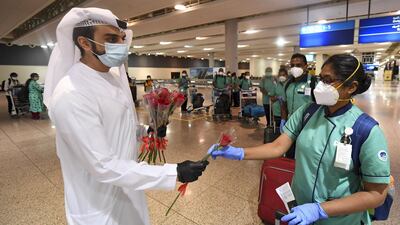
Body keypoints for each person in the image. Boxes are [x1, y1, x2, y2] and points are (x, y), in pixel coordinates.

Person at [43, 8, 208, 225]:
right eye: (110, 39)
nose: (120, 46)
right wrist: (173, 172)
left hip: (127, 190)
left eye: (121, 39)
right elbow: (102, 165)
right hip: (98, 204)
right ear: (84, 42)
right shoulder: (72, 93)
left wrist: (146, 130)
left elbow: (118, 125)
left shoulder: (111, 78)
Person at [207, 54, 390, 225]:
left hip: (340, 219)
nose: (320, 86)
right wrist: (239, 152)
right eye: (320, 79)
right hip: (298, 209)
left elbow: (376, 194)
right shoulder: (308, 112)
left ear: (351, 87)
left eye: (328, 81)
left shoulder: (365, 130)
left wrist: (319, 210)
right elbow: (278, 146)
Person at [281, 53, 316, 158]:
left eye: (298, 65)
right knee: (290, 154)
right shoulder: (287, 83)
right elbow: (284, 103)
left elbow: (320, 106)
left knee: (304, 156)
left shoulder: (313, 82)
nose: (295, 68)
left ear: (305, 66)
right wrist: (283, 120)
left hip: (307, 127)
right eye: (292, 65)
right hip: (290, 127)